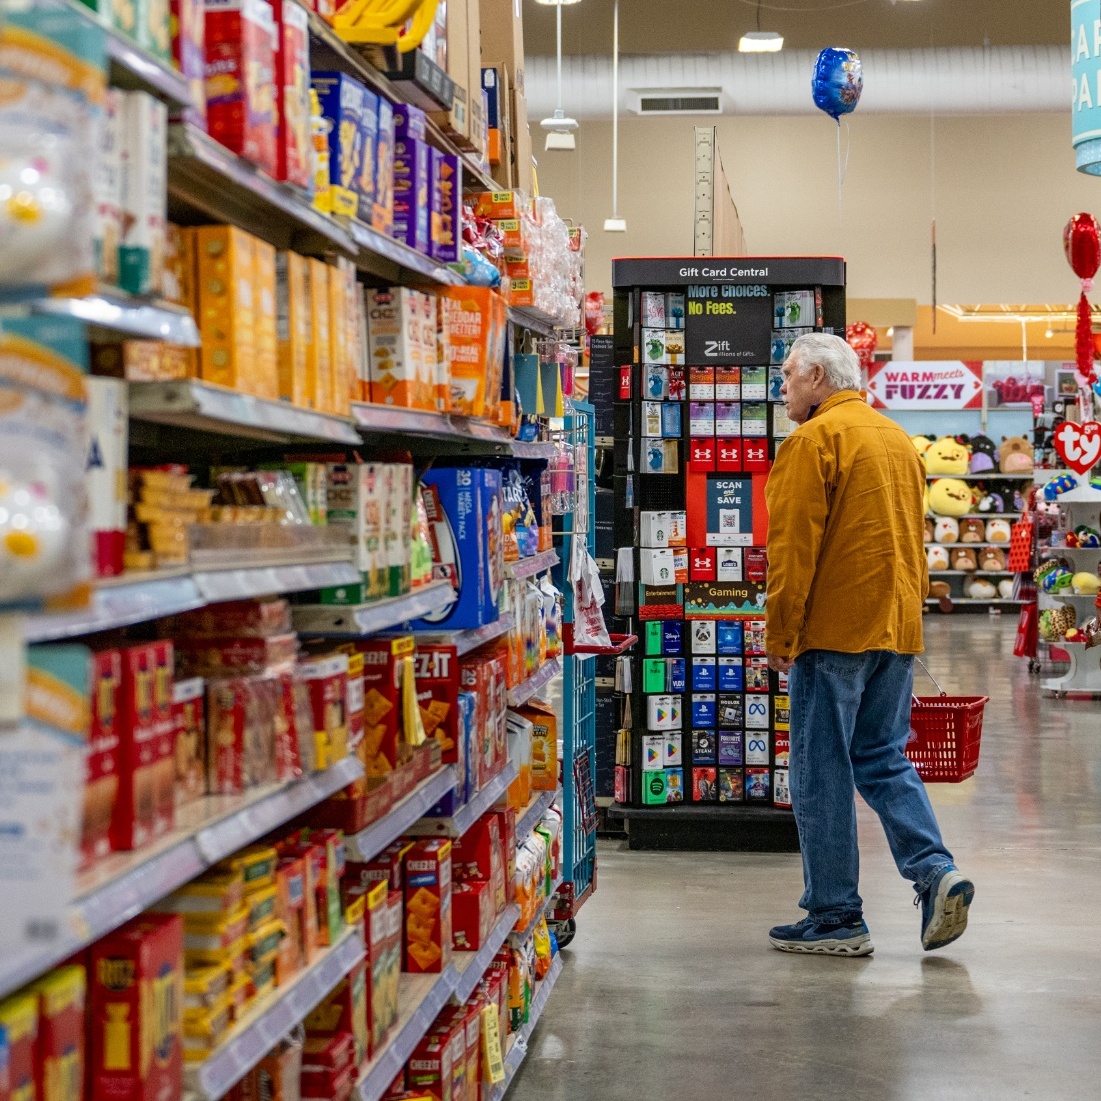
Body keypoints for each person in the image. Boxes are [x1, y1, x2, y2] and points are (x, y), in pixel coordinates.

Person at [763, 332, 973, 958]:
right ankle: (936, 872)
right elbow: (915, 541)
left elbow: (793, 550)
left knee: (819, 768)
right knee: (882, 757)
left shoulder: (812, 442)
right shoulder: (894, 440)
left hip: (833, 632)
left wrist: (781, 632)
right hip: (896, 629)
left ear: (819, 378)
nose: (782, 388)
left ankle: (835, 916)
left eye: (788, 376)